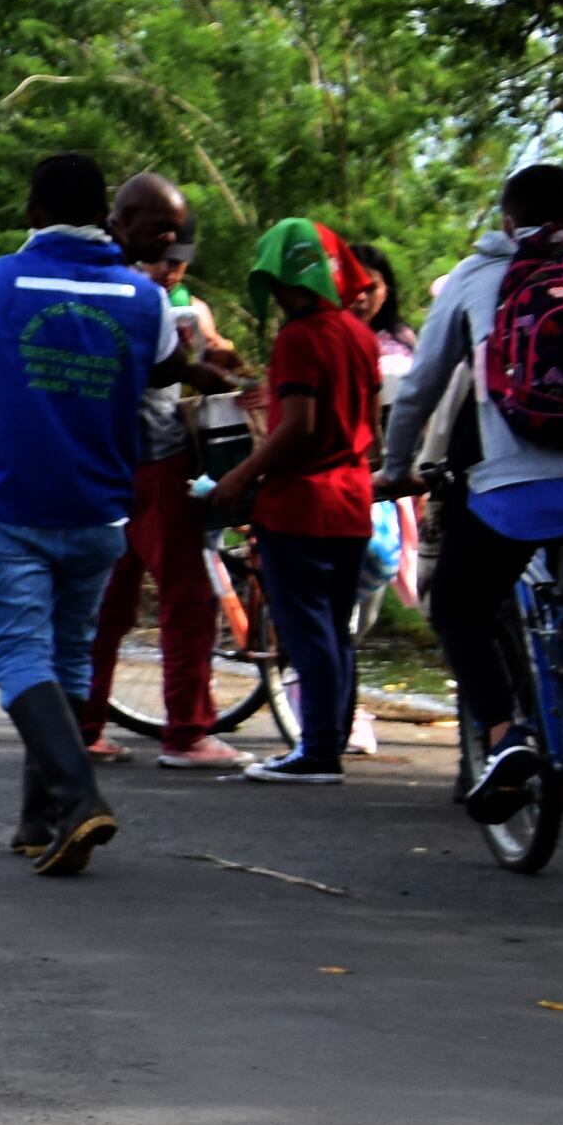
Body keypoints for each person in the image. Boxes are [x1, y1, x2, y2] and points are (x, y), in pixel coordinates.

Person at [0, 156, 183, 876]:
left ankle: (79, 797)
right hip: (99, 508)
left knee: (19, 654)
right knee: (67, 653)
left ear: (31, 210)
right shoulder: (145, 298)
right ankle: (39, 815)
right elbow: (170, 369)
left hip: (14, 501)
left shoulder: (0, 280)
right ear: (104, 216)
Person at [373, 162, 563, 829]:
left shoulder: (478, 279)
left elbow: (419, 388)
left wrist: (396, 468)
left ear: (509, 222)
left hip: (514, 492)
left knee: (456, 603)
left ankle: (507, 735)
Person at [206, 218, 384, 782]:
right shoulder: (359, 333)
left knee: (306, 632)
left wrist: (241, 476)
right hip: (353, 504)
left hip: (299, 506)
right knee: (336, 630)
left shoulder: (299, 338)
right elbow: (373, 432)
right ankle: (327, 742)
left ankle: (320, 751)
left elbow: (300, 426)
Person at [83, 181, 246, 772]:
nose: (173, 267)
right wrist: (219, 380)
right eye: (167, 253)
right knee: (186, 601)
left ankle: (86, 724)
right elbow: (171, 374)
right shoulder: (147, 301)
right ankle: (186, 731)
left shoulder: (100, 290)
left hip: (104, 467)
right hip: (158, 465)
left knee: (107, 604)